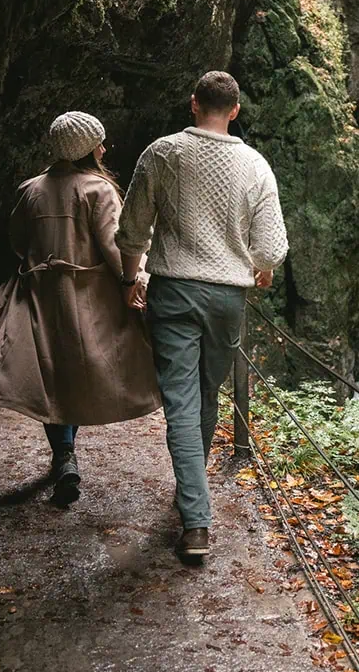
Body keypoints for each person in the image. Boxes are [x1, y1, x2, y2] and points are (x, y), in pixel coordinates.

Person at [116, 71, 288, 558]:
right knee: (204, 394)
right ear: (234, 111)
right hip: (228, 300)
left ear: (194, 104)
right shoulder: (255, 164)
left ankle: (195, 513)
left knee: (182, 403)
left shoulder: (163, 153)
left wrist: (131, 280)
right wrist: (258, 265)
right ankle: (195, 506)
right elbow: (271, 247)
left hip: (172, 292)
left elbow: (132, 231)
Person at [0, 111, 161, 501]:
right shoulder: (97, 190)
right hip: (89, 295)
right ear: (88, 149)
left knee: (51, 374)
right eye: (99, 141)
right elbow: (116, 247)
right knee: (79, 372)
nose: (104, 147)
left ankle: (64, 454)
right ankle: (67, 454)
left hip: (39, 292)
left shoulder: (30, 190)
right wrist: (131, 282)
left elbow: (19, 241)